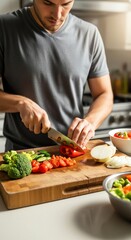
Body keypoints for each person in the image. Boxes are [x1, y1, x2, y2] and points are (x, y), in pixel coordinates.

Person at [0, 0, 113, 151]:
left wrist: (90, 122)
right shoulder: (4, 28)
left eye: (66, 4)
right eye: (48, 3)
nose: (57, 14)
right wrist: (20, 103)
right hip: (22, 153)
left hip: (71, 151)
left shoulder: (89, 34)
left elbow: (104, 94)